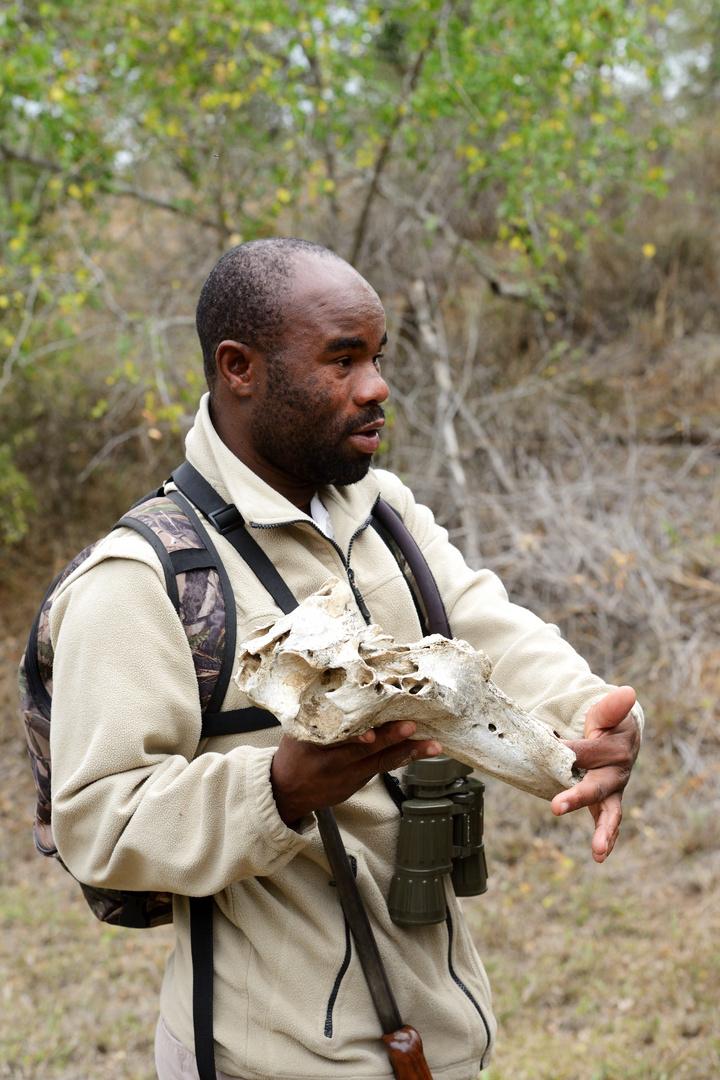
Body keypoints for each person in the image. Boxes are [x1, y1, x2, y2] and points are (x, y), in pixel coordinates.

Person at [49, 238, 642, 1080]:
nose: (377, 388)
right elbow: (97, 826)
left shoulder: (383, 513)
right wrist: (279, 788)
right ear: (239, 367)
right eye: (342, 359)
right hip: (267, 1057)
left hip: (436, 1036)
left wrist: (597, 721)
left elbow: (488, 631)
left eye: (379, 356)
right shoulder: (142, 578)